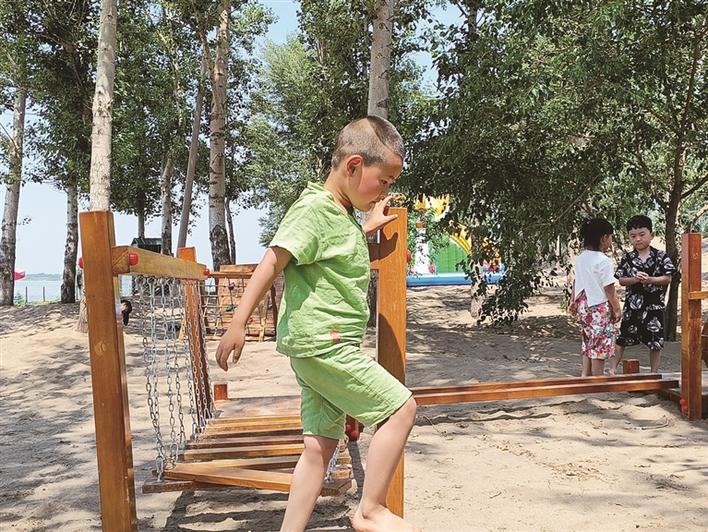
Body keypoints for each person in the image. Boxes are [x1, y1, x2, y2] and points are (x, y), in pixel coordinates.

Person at [215, 116, 419, 532]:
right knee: (401, 409)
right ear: (354, 166)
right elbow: (273, 260)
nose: (385, 191)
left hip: (318, 347)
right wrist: (238, 322)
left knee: (319, 447)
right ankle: (370, 509)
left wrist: (365, 229)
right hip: (326, 345)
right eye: (383, 181)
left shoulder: (341, 214)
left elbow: (333, 254)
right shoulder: (313, 209)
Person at [610, 215, 675, 374]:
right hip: (632, 306)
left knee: (655, 341)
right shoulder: (627, 258)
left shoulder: (661, 256)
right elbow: (621, 280)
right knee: (622, 338)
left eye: (642, 234)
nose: (638, 239)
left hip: (654, 306)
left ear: (651, 235)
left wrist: (651, 279)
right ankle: (612, 369)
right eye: (633, 236)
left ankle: (654, 372)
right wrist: (635, 279)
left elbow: (668, 278)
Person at [568, 218, 621, 377]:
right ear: (604, 238)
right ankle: (598, 378)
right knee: (600, 343)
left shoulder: (581, 257)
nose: (610, 241)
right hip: (599, 306)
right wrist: (617, 308)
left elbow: (577, 280)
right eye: (610, 237)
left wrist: (572, 300)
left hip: (583, 304)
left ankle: (585, 374)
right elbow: (609, 288)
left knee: (588, 339)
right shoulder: (603, 260)